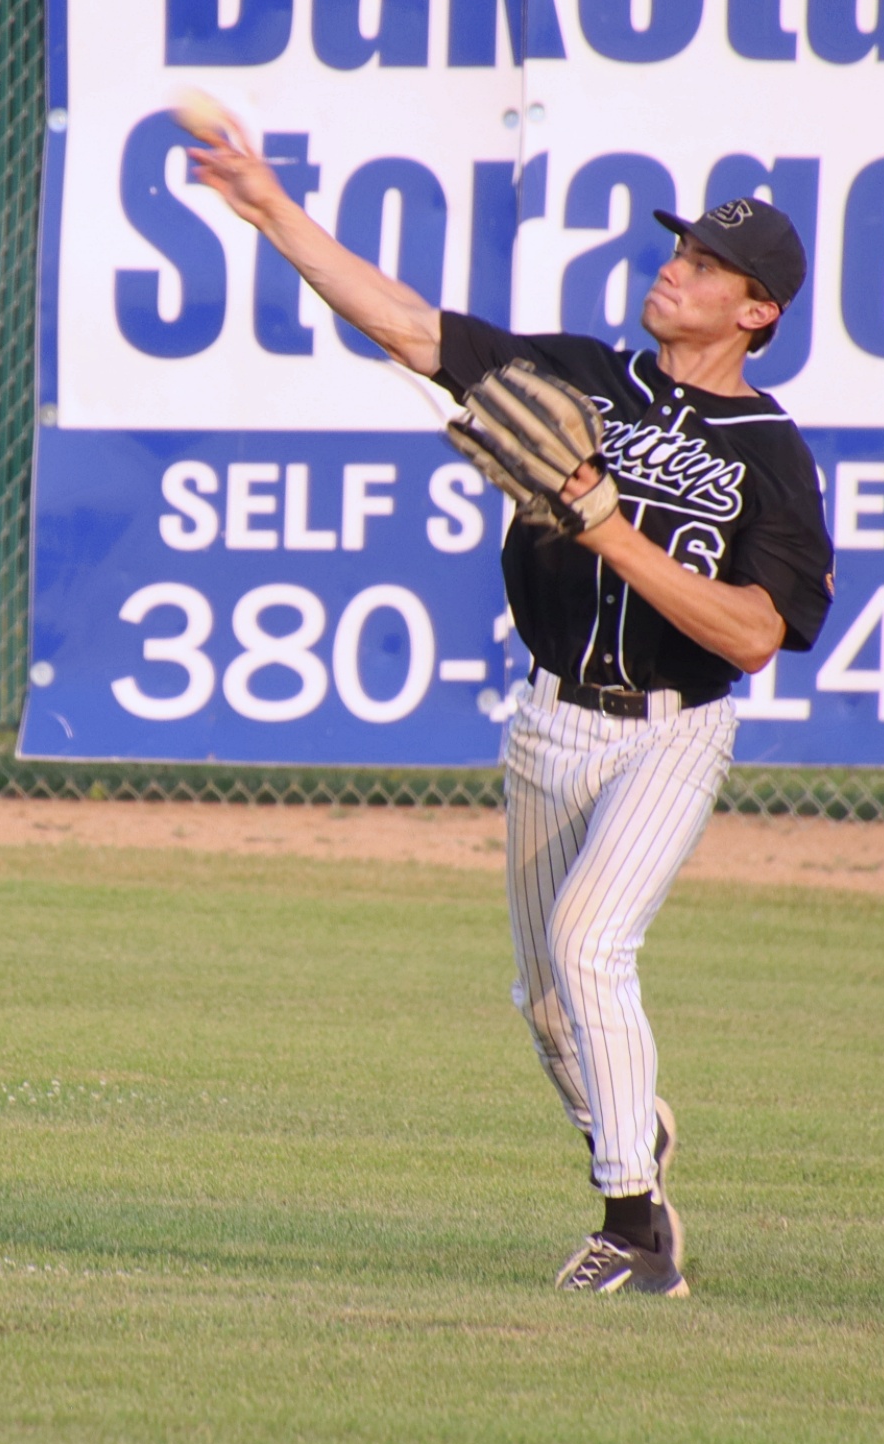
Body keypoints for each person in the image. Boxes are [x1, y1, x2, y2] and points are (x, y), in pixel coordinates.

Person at [190, 112, 834, 1297]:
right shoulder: (583, 376)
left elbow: (753, 633)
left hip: (671, 733)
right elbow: (409, 326)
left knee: (593, 946)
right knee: (547, 1005)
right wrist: (273, 213)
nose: (672, 269)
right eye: (677, 251)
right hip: (546, 724)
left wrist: (605, 521)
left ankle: (635, 1230)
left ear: (755, 312)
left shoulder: (770, 456)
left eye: (702, 265)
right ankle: (626, 1123)